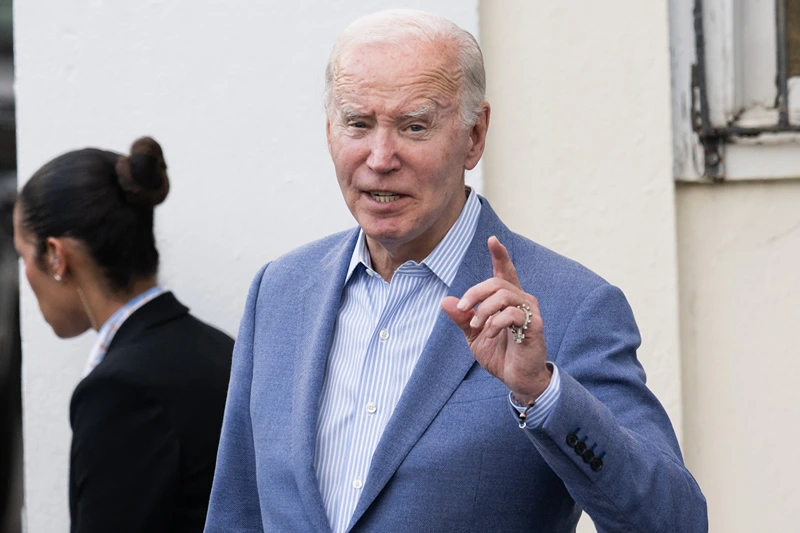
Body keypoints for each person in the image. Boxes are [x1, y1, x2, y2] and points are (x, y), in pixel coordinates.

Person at [205, 10, 707, 533]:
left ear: (474, 135)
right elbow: (235, 513)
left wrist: (542, 393)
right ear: (330, 130)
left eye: (414, 126)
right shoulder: (280, 292)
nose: (380, 157)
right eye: (358, 123)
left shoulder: (570, 307)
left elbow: (674, 521)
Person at [14, 137, 234, 533]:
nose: (24, 274)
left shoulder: (121, 390)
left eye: (22, 255)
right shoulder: (222, 349)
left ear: (55, 256)